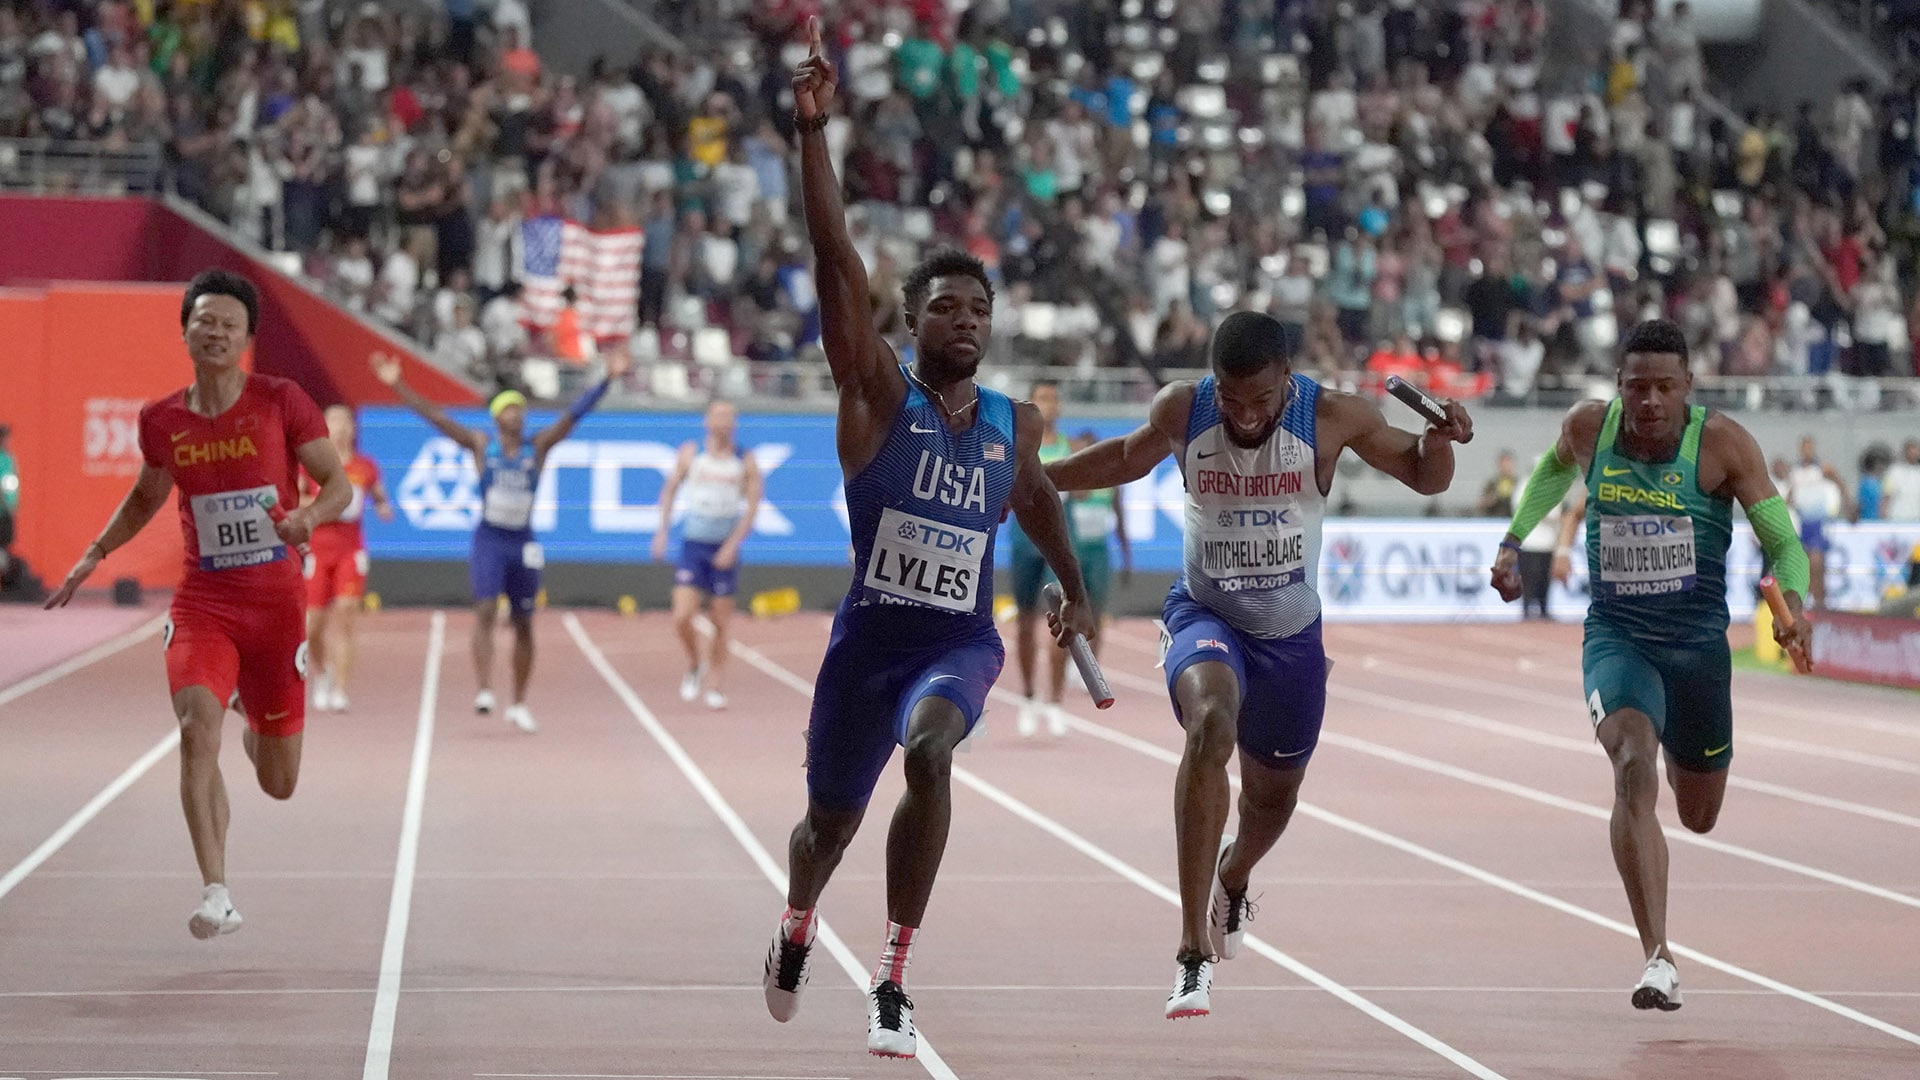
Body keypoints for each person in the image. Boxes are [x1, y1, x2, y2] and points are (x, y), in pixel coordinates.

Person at [763, 20, 1095, 1060]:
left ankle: (895, 973)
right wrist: (811, 132)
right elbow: (833, 255)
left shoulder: (1012, 425)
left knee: (937, 752)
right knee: (825, 830)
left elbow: (1035, 500)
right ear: (908, 324)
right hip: (867, 647)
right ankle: (798, 920)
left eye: (979, 309)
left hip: (958, 643)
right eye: (946, 306)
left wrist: (1075, 590)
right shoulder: (874, 396)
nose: (966, 320)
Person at [1046, 309, 1474, 1020]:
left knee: (1271, 804)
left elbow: (1426, 478)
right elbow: (1124, 458)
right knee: (1210, 723)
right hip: (1204, 615)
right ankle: (1190, 950)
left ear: (1287, 381)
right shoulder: (1183, 408)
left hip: (1291, 638)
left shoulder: (1334, 417)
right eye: (1231, 399)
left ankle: (1234, 874)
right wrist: (1036, 481)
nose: (1245, 416)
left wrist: (1442, 437)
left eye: (1261, 401)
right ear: (1214, 383)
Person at [1490, 318, 1814, 1012]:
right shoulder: (1589, 430)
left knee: (1698, 815)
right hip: (1619, 638)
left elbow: (1784, 543)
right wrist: (1514, 540)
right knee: (1632, 764)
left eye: (1665, 386)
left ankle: (1675, 742)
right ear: (1619, 387)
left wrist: (1792, 604)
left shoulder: (1722, 444)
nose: (1650, 401)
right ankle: (1657, 957)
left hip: (1698, 652)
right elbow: (1551, 472)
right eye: (1637, 386)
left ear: (1688, 387)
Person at [45, 269, 352, 938]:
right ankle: (216, 891)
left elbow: (339, 486)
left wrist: (307, 520)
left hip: (274, 611)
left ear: (246, 339)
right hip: (203, 603)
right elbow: (147, 496)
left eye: (228, 325)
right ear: (185, 328)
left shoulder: (280, 401)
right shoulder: (161, 420)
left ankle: (253, 713)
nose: (214, 332)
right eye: (204, 320)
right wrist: (96, 551)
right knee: (193, 731)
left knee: (278, 782)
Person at [371, 348, 628, 733]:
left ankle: (520, 702)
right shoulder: (481, 446)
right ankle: (485, 688)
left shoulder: (536, 448)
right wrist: (398, 386)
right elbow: (437, 418)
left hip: (522, 541)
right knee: (486, 610)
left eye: (522, 410)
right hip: (489, 539)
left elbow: (574, 415)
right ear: (497, 417)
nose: (518, 415)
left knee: (524, 623)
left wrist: (607, 380)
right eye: (510, 409)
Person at [651, 399, 763, 710]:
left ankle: (715, 684)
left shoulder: (745, 460)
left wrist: (732, 545)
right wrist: (662, 531)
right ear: (707, 422)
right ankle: (694, 662)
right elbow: (670, 490)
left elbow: (753, 507)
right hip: (693, 544)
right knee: (681, 616)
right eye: (719, 417)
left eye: (730, 417)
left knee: (719, 621)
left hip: (724, 546)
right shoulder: (691, 454)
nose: (724, 423)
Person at [300, 405, 392, 712]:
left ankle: (340, 688)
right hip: (318, 550)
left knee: (346, 614)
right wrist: (326, 502)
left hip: (350, 550)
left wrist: (382, 507)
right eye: (333, 423)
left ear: (352, 429)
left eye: (344, 423)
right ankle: (323, 673)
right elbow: (296, 500)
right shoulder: (311, 464)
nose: (339, 429)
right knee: (312, 626)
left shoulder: (365, 466)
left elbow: (379, 496)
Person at [1006, 378, 1075, 738]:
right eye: (1041, 399)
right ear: (1030, 406)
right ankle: (1029, 696)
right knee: (1025, 621)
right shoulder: (1019, 448)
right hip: (1022, 541)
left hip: (1058, 544)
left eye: (1053, 398)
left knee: (1064, 620)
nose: (1048, 405)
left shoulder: (1070, 447)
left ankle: (1055, 702)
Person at [1055, 428, 1131, 669]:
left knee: (1096, 611)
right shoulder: (1071, 478)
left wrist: (1127, 558)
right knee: (1072, 608)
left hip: (1099, 552)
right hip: (1075, 551)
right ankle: (1069, 660)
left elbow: (1120, 521)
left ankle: (1092, 664)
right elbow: (1079, 495)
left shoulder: (1111, 483)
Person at [1784, 435, 1849, 609]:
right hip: (1801, 521)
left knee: (1817, 562)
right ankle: (1808, 600)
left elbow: (1840, 484)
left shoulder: (1822, 468)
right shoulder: (1795, 471)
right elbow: (1790, 495)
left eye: (1810, 448)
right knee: (1802, 564)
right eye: (1804, 448)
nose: (1807, 452)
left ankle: (1820, 601)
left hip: (1817, 521)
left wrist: (1845, 504)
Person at [1884, 438, 1920, 521]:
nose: (1913, 454)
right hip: (1896, 517)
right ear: (1904, 452)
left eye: (1916, 451)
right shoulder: (1893, 471)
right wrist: (1883, 514)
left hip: (1916, 518)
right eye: (1910, 451)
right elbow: (1887, 494)